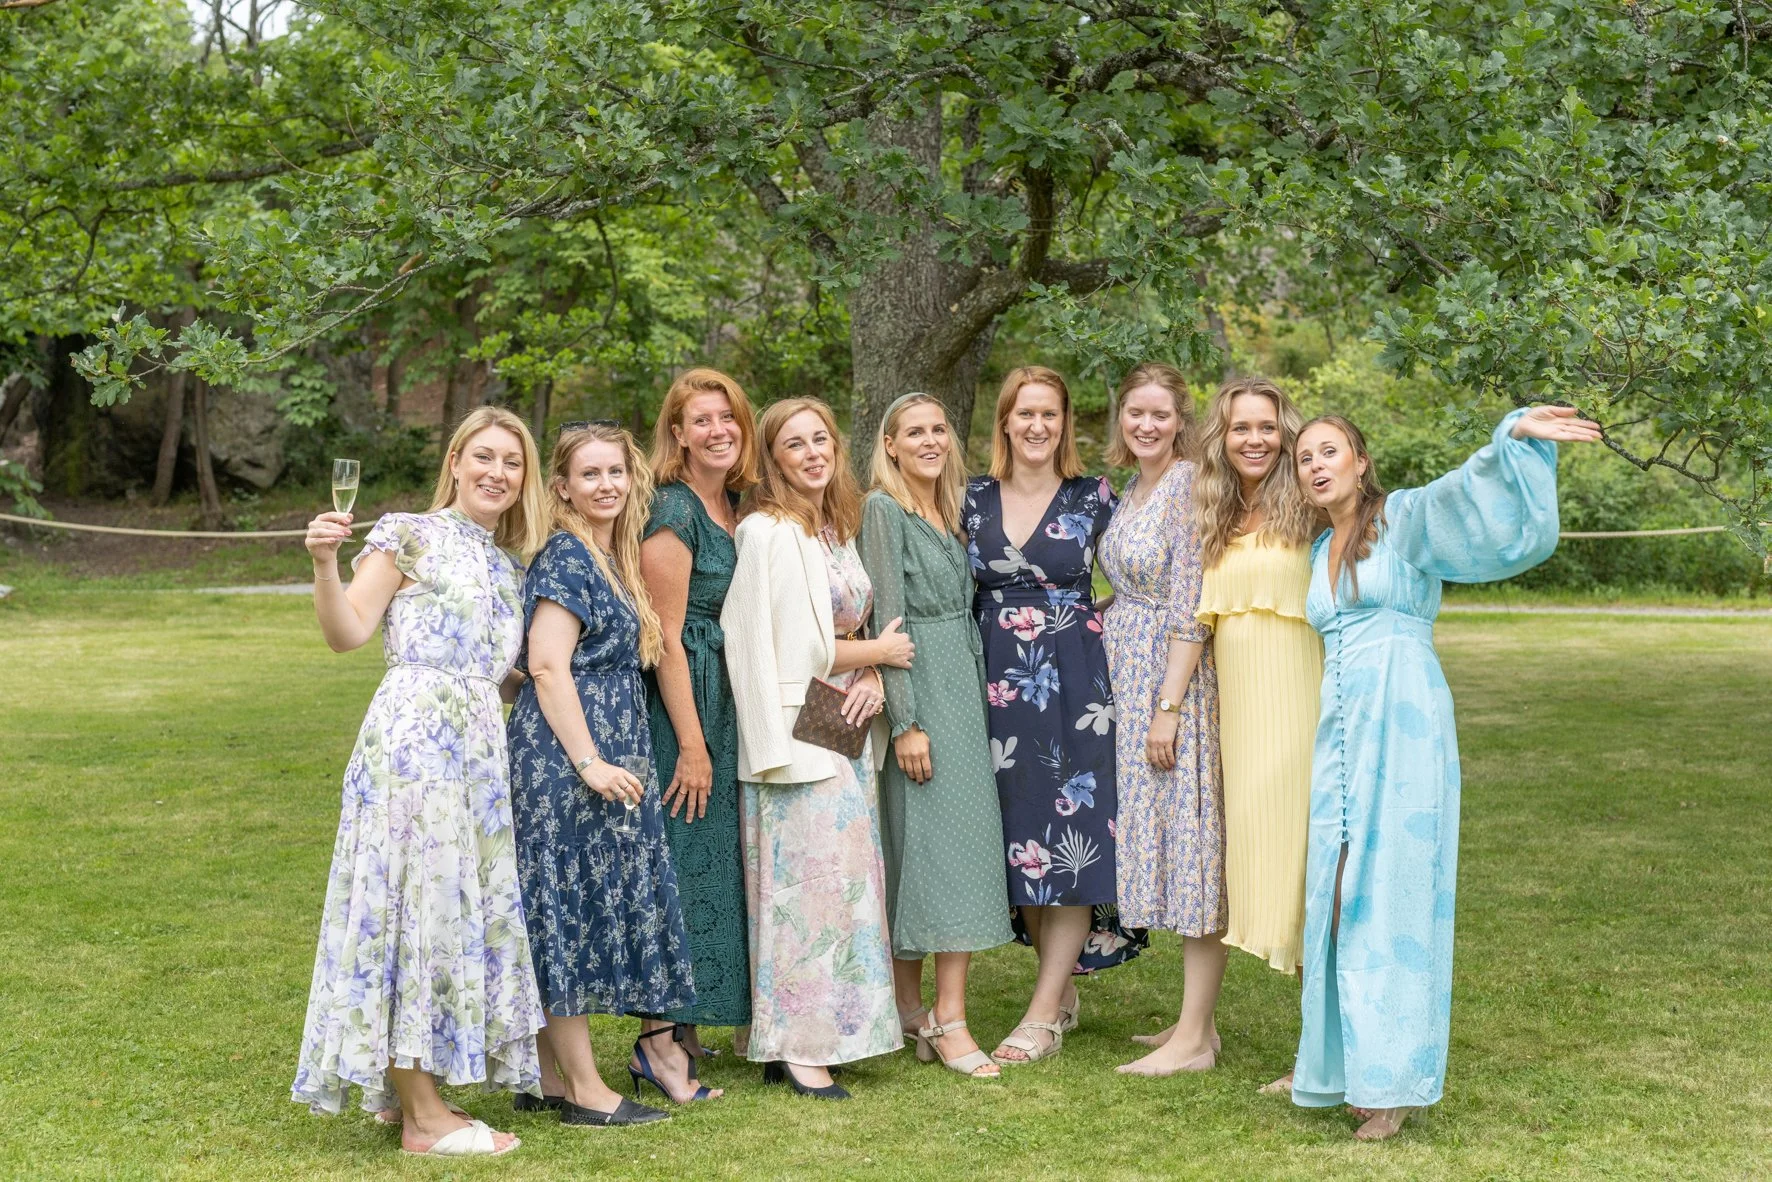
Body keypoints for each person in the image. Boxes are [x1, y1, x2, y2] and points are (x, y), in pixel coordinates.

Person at [1290, 404, 1600, 1140]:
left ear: (1361, 461)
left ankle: (1394, 1085)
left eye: (1329, 451)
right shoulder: (1317, 549)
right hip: (1341, 733)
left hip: (1404, 722)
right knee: (1333, 895)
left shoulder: (1400, 520)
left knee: (1393, 891)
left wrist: (1512, 437)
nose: (1316, 466)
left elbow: (1465, 497)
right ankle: (1346, 1066)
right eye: (1304, 458)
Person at [294, 405, 550, 1159]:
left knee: (445, 912)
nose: (497, 472)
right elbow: (347, 632)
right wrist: (323, 564)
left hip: (478, 752)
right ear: (456, 461)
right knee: (410, 907)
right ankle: (423, 1119)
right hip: (414, 745)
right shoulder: (408, 532)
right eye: (484, 456)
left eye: (512, 462)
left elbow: (501, 673)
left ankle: (408, 1087)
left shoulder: (507, 565)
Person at [506, 421, 705, 1128]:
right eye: (589, 474)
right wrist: (588, 762)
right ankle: (587, 1091)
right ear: (562, 486)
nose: (606, 485)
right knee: (562, 909)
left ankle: (548, 1077)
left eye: (615, 471)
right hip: (566, 756)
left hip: (605, 747)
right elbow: (546, 665)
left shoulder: (609, 553)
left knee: (574, 905)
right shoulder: (566, 554)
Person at [720, 397, 911, 1099]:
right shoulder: (766, 531)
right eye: (794, 444)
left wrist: (872, 674)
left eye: (820, 439)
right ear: (772, 459)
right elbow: (771, 644)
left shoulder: (833, 528)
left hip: (841, 727)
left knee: (844, 886)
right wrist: (878, 654)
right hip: (794, 735)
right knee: (805, 893)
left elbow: (847, 628)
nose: (812, 453)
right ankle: (797, 1046)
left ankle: (832, 1033)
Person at [962, 365, 1146, 1068]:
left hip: (1073, 682)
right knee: (1020, 836)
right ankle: (1060, 990)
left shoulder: (1093, 495)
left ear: (1065, 423)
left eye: (1050, 414)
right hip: (991, 680)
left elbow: (1141, 575)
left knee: (1071, 835)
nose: (1037, 426)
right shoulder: (970, 497)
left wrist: (1098, 620)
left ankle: (1042, 1015)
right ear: (1005, 422)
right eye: (1025, 413)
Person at [1147, 376, 1322, 1089]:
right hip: (1239, 718)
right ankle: (1313, 1047)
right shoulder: (1218, 511)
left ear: (1286, 434)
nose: (1255, 439)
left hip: (1299, 706)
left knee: (1303, 868)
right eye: (1241, 427)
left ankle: (1323, 1054)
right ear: (1221, 438)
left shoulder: (1311, 503)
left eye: (1267, 427)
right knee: (1262, 866)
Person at [857, 393, 1013, 1081]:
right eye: (914, 432)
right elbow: (885, 622)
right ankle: (947, 1019)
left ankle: (914, 1011)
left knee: (950, 849)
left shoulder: (948, 511)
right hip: (921, 692)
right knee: (927, 850)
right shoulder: (883, 510)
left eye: (938, 429)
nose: (930, 441)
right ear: (889, 445)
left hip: (963, 686)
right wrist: (906, 723)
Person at [1097, 362, 1226, 1077]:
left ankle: (1195, 1039)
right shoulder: (1132, 488)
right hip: (1130, 671)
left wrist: (1167, 710)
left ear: (1181, 422)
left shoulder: (1184, 486)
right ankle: (1192, 1023)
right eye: (1135, 413)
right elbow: (1130, 587)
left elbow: (1189, 603)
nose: (1146, 425)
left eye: (1160, 415)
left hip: (1171, 684)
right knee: (1165, 848)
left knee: (1191, 847)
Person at [639, 369, 761, 1062]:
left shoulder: (737, 505)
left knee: (719, 855)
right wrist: (690, 743)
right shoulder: (674, 509)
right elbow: (665, 637)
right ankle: (663, 1034)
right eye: (702, 420)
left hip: (732, 693)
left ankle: (694, 1022)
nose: (718, 431)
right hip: (689, 696)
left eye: (728, 417)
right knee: (685, 853)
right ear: (678, 433)